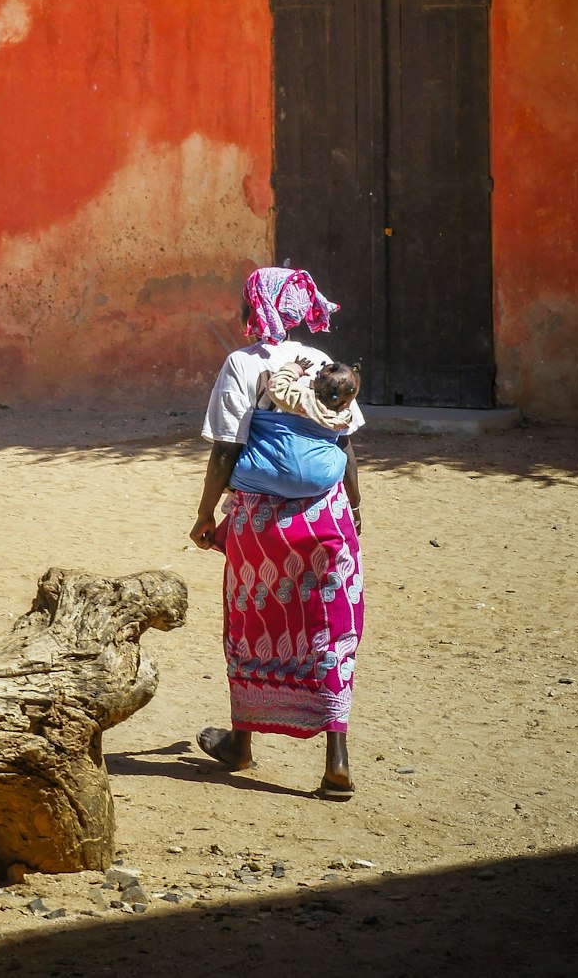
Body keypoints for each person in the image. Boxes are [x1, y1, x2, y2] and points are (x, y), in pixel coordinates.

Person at [190, 266, 364, 799]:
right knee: (331, 629)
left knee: (253, 620)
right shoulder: (319, 363)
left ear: (255, 307)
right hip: (326, 514)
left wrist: (205, 515)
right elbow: (345, 442)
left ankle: (241, 745)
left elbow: (226, 446)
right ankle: (337, 763)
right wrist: (355, 505)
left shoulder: (242, 364)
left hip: (260, 520)